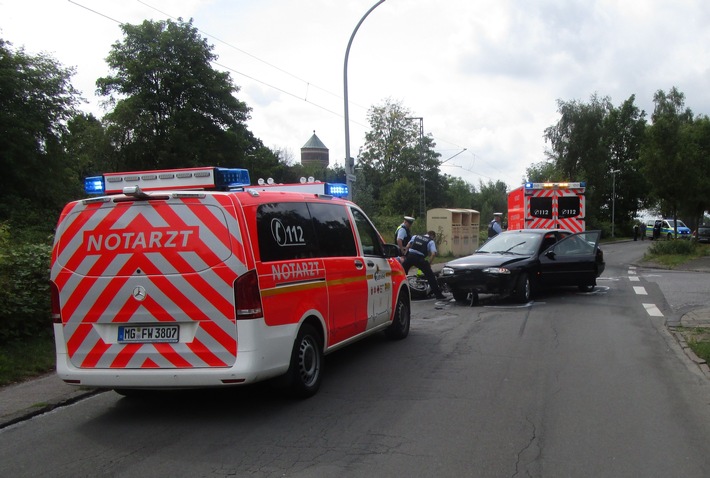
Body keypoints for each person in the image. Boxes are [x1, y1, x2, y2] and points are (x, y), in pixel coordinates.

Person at [402, 230, 447, 300]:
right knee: (431, 277)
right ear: (432, 236)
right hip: (419, 259)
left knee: (402, 273)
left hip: (410, 256)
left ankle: (403, 293)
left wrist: (405, 256)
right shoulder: (431, 241)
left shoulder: (415, 236)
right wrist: (429, 263)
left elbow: (408, 246)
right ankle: (438, 295)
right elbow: (433, 253)